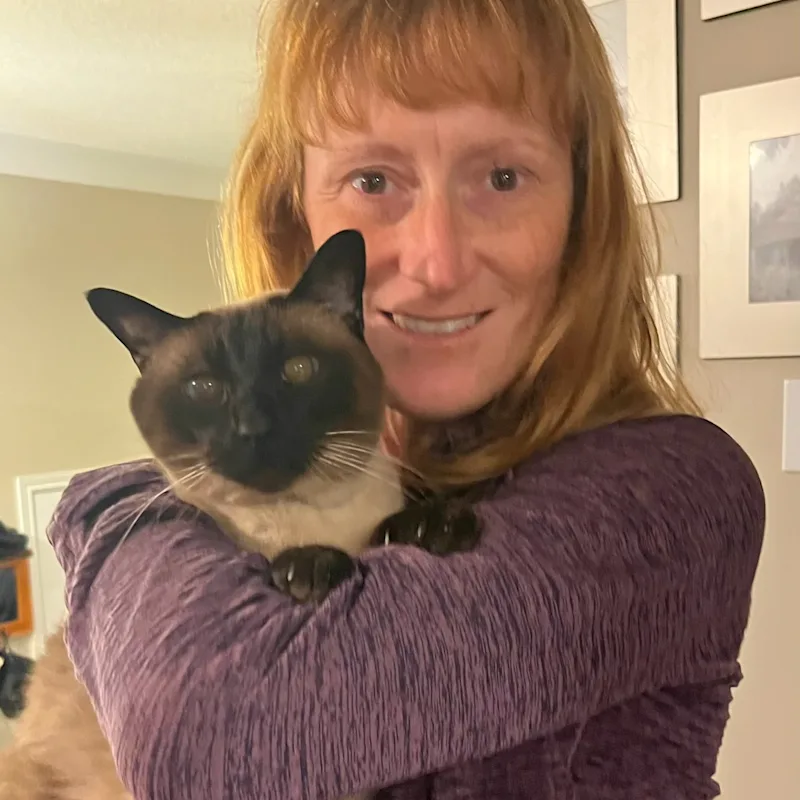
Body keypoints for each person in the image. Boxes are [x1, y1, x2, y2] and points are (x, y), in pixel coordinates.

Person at [48, 0, 765, 797]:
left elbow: (210, 743)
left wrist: (105, 510)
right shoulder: (346, 470)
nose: (436, 261)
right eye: (373, 179)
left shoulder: (670, 488)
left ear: (580, 215)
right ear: (296, 217)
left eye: (502, 176)